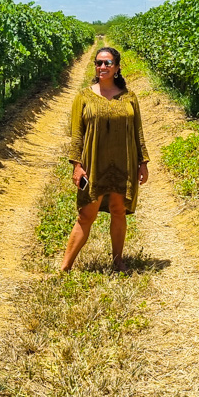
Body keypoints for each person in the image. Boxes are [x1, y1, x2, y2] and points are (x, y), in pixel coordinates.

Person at [61, 47, 149, 272]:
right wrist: (77, 165)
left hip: (123, 161)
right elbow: (77, 133)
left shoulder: (129, 97)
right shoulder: (83, 96)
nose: (102, 67)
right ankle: (65, 266)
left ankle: (118, 261)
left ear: (117, 67)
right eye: (98, 63)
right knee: (86, 214)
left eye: (107, 63)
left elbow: (138, 130)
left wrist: (143, 162)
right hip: (93, 162)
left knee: (119, 210)